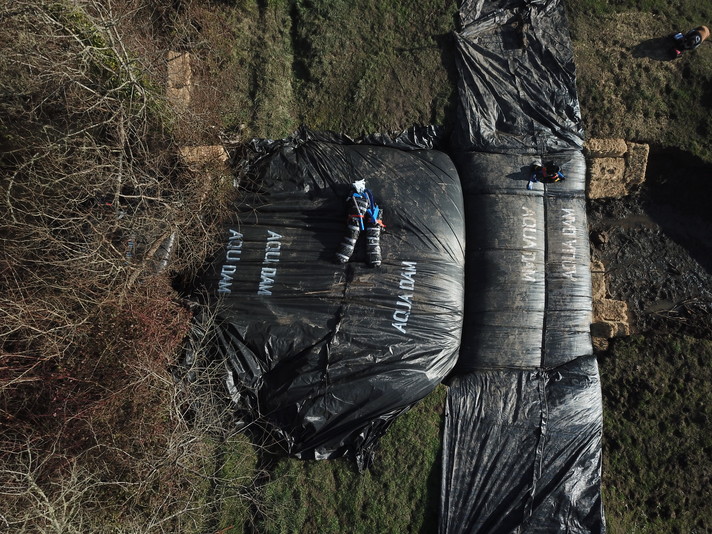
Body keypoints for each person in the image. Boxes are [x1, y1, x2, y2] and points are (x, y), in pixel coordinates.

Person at [335, 179, 385, 266]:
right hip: (362, 210)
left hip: (364, 210)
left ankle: (373, 258)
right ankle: (374, 259)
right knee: (356, 230)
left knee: (361, 230)